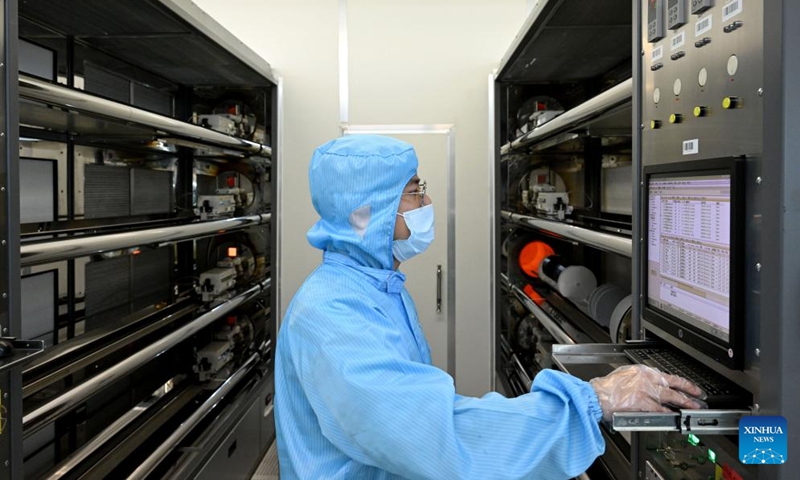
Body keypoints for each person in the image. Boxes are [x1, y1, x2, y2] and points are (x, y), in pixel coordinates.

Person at [275, 135, 704, 480]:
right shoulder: (331, 314)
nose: (426, 204)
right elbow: (431, 433)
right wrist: (592, 401)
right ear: (365, 216)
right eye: (413, 193)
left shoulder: (375, 286)